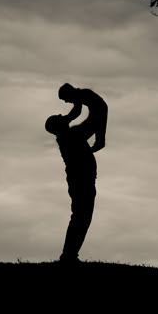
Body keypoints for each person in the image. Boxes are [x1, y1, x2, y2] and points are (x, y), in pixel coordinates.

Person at [45, 112, 97, 264]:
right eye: (59, 116)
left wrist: (77, 102)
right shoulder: (71, 136)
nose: (62, 114)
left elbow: (76, 112)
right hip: (81, 183)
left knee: (81, 218)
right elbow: (91, 123)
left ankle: (70, 255)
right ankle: (68, 255)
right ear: (59, 125)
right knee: (81, 218)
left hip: (80, 182)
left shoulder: (68, 134)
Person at [58, 83, 108, 153]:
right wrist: (67, 119)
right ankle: (87, 149)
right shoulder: (80, 94)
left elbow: (77, 111)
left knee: (93, 136)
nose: (66, 101)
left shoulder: (80, 94)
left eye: (65, 99)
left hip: (99, 111)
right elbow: (76, 110)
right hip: (98, 111)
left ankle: (86, 151)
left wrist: (67, 119)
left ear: (69, 93)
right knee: (81, 133)